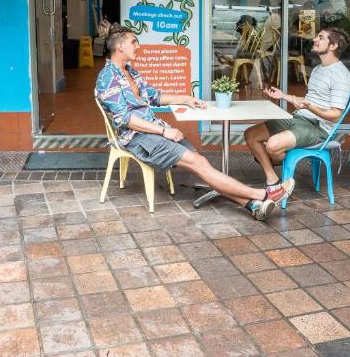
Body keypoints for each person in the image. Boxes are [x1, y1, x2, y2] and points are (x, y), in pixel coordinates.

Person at [96, 25, 295, 220]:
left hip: (153, 132)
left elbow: (154, 96)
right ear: (120, 46)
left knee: (199, 160)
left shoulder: (130, 71)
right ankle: (265, 195)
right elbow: (125, 119)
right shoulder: (107, 78)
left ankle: (252, 206)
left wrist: (186, 98)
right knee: (199, 162)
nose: (138, 46)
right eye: (133, 42)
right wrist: (164, 131)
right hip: (138, 139)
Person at [244, 28, 350, 191]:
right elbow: (308, 101)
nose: (315, 39)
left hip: (318, 127)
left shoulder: (341, 76)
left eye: (320, 38)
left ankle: (275, 157)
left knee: (272, 145)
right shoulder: (318, 69)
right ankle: (273, 179)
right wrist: (284, 96)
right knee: (251, 134)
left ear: (333, 46)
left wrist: (310, 107)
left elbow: (336, 116)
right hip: (299, 118)